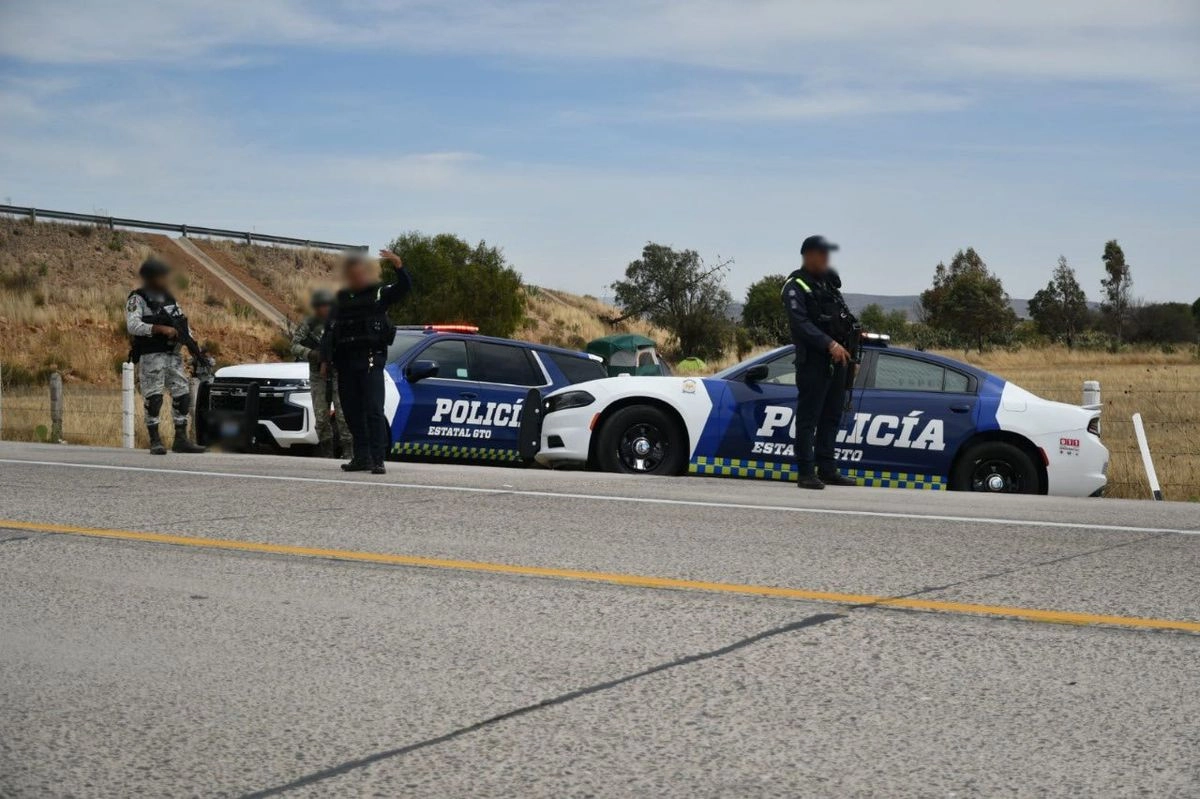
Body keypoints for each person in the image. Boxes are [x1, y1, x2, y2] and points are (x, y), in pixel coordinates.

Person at [320, 249, 411, 474]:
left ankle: (377, 459)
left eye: (361, 273)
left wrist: (399, 266)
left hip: (370, 360)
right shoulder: (340, 299)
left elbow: (404, 288)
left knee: (373, 410)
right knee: (351, 412)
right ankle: (362, 458)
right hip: (346, 362)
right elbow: (329, 332)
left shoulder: (379, 293)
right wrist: (325, 360)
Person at [781, 235, 859, 490]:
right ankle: (806, 472)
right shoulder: (795, 286)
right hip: (813, 362)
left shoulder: (828, 287)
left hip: (837, 362)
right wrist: (829, 344)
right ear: (808, 255)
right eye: (822, 254)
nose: (826, 259)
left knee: (832, 417)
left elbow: (845, 323)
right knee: (809, 418)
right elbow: (801, 324)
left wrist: (851, 357)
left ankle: (827, 469)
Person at [126, 257, 207, 455]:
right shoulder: (138, 299)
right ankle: (155, 440)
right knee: (154, 398)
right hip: (151, 355)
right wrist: (160, 329)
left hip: (173, 356)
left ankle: (181, 439)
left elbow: (183, 325)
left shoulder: (170, 298)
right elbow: (132, 325)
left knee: (183, 395)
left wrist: (194, 346)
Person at [291, 289, 351, 458]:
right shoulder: (310, 323)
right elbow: (294, 346)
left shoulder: (341, 323)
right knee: (321, 417)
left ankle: (348, 451)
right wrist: (312, 354)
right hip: (318, 375)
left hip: (339, 374)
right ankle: (327, 452)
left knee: (343, 416)